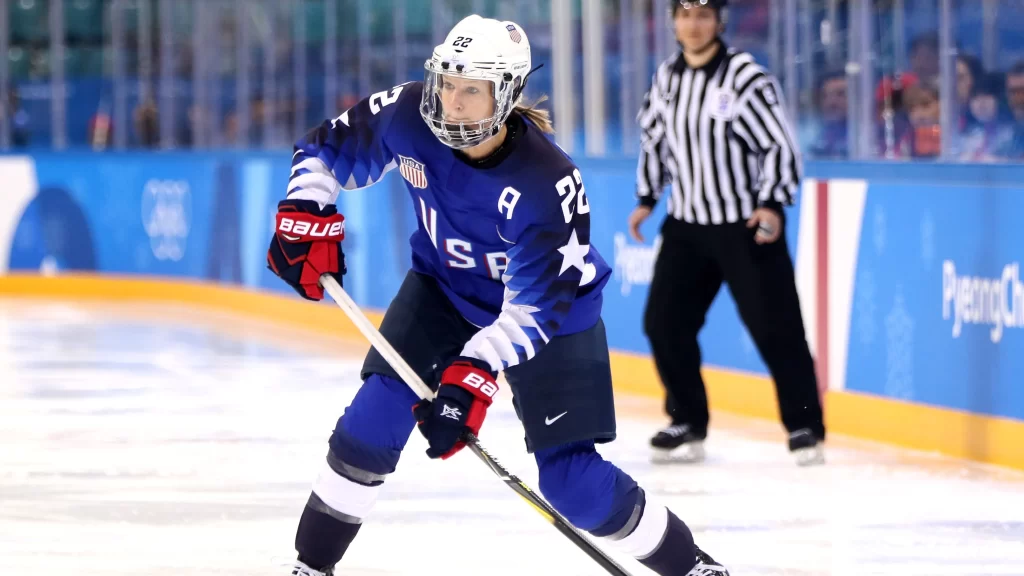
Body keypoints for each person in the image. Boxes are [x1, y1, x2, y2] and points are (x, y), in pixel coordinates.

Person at [266, 14, 731, 576]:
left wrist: (472, 375)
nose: (452, 102)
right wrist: (305, 210)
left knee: (573, 484)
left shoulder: (547, 180)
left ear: (506, 95)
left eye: (471, 90)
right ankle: (310, 568)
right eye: (446, 83)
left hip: (555, 318)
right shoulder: (406, 112)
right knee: (370, 422)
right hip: (445, 291)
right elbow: (323, 150)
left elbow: (532, 310)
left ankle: (694, 568)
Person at [628, 0, 825, 466]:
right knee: (663, 324)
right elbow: (654, 139)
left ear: (719, 22)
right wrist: (646, 199)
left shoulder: (745, 77)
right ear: (673, 21)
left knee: (776, 329)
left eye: (702, 15)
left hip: (744, 226)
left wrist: (772, 203)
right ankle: (687, 420)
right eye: (684, 14)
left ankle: (804, 427)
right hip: (687, 225)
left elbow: (780, 144)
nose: (692, 25)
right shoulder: (666, 78)